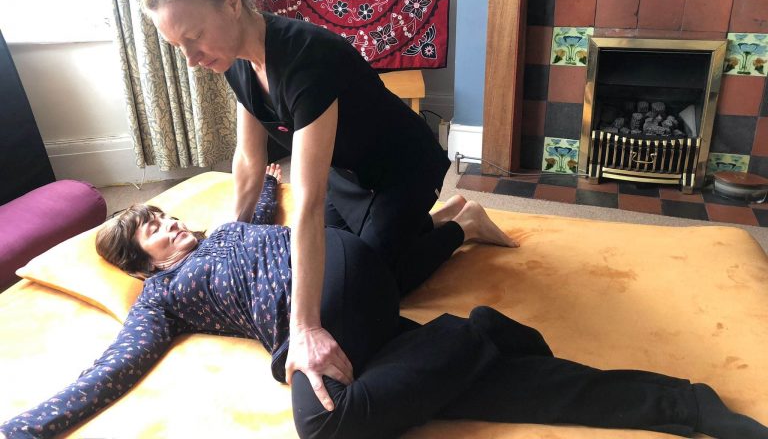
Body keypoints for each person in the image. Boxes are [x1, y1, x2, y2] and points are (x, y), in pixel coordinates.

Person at [2, 166, 766, 439]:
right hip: (359, 322)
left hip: (331, 280)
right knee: (497, 389)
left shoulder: (239, 225)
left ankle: (473, 330)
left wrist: (262, 184)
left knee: (323, 427)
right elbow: (105, 373)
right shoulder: (160, 301)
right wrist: (23, 428)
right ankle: (686, 406)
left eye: (164, 213)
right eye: (155, 229)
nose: (171, 221)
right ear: (143, 263)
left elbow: (270, 182)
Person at [140, 0, 516, 410]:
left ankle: (461, 223)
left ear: (231, 3)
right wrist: (230, 240)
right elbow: (249, 161)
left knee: (377, 284)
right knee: (340, 268)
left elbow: (309, 203)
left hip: (402, 168)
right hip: (348, 172)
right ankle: (441, 222)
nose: (191, 60)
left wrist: (304, 328)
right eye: (178, 48)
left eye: (192, 38)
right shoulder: (234, 62)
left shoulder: (305, 59)